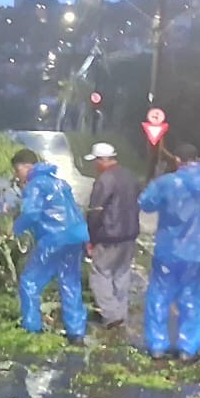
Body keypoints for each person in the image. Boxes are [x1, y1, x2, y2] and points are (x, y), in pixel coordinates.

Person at [139, 143, 200, 361]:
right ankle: (187, 348)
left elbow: (145, 203)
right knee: (193, 299)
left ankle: (157, 345)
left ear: (178, 160)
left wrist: (156, 179)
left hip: (168, 251)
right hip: (197, 254)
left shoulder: (167, 183)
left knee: (159, 296)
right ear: (198, 159)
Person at [11, 149, 91, 346]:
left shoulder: (35, 185)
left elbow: (31, 214)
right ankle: (76, 333)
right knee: (70, 282)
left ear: (25, 166)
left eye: (17, 170)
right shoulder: (60, 183)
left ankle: (32, 329)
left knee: (29, 281)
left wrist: (15, 229)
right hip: (76, 237)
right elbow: (75, 212)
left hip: (54, 238)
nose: (16, 175)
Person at [83, 142, 141, 331]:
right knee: (122, 274)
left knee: (100, 274)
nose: (95, 166)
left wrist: (90, 238)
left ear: (102, 160)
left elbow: (95, 211)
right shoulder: (130, 176)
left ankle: (111, 314)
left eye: (96, 161)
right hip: (129, 234)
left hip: (108, 235)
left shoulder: (104, 180)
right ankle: (120, 314)